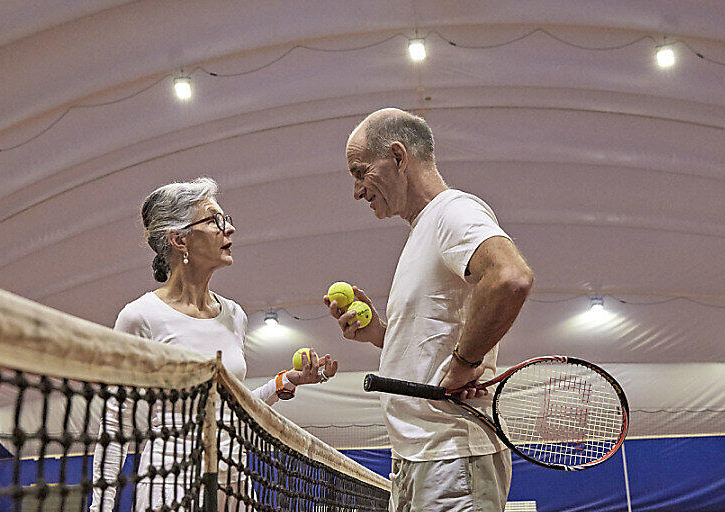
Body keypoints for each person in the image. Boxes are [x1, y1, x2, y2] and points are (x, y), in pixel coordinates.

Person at [326, 108, 533, 511]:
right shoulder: (423, 229)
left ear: (399, 157)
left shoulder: (453, 211)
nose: (356, 191)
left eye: (359, 171)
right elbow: (433, 342)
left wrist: (465, 362)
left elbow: (510, 277)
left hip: (450, 457)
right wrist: (381, 335)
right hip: (416, 458)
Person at [90, 177, 338, 512]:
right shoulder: (140, 317)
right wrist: (100, 508)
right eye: (215, 221)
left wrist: (284, 383)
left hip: (234, 486)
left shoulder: (234, 315)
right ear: (179, 239)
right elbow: (115, 425)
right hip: (170, 485)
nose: (230, 229)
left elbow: (231, 408)